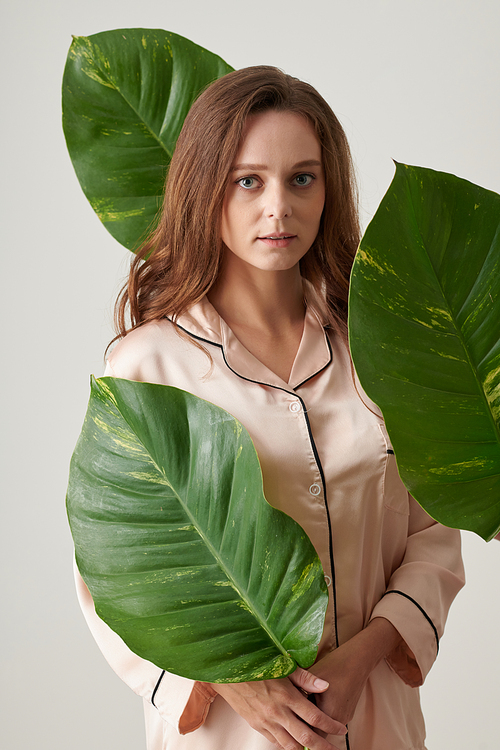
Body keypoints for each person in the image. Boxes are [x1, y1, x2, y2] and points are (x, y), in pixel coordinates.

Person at [74, 66, 465, 750]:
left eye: (302, 178)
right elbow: (114, 564)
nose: (278, 208)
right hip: (233, 735)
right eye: (247, 180)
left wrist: (366, 652)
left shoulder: (378, 350)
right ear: (206, 188)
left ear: (328, 188)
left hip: (376, 722)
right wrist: (228, 680)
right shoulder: (148, 366)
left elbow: (433, 531)